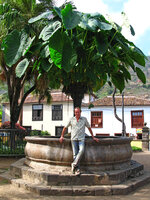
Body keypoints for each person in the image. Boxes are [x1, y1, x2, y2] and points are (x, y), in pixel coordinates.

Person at [59, 107, 99, 175]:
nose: (77, 113)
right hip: (74, 139)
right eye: (76, 112)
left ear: (80, 112)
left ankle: (74, 164)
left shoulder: (84, 119)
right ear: (74, 112)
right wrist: (62, 136)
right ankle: (77, 169)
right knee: (75, 154)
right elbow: (65, 127)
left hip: (81, 139)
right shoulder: (71, 119)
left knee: (81, 150)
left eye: (78, 112)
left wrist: (93, 137)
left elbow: (89, 128)